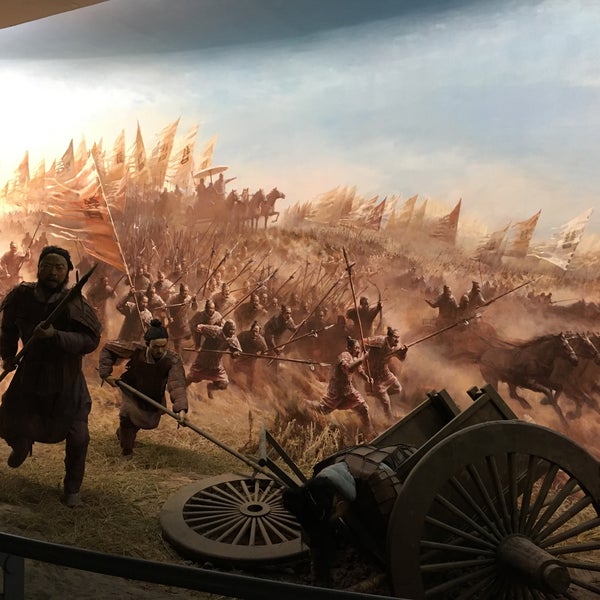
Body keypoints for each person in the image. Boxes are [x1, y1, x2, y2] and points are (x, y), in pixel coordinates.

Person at [0, 246, 102, 508]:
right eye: (47, 266)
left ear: (67, 272)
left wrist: (56, 335)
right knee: (8, 419)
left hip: (65, 378)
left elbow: (90, 340)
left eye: (59, 267)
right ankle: (21, 444)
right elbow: (8, 328)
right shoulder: (21, 296)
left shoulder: (74, 301)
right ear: (38, 268)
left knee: (78, 435)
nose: (53, 272)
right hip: (30, 373)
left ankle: (72, 489)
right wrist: (8, 355)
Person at [98, 319, 188, 460]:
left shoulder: (173, 360)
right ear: (147, 344)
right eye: (155, 347)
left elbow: (177, 385)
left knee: (144, 422)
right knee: (127, 416)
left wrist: (181, 410)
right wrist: (105, 374)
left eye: (163, 346)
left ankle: (123, 433)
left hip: (153, 395)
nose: (160, 351)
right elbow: (108, 348)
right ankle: (127, 452)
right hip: (131, 390)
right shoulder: (136, 349)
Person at [318, 337, 373, 432]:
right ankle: (306, 406)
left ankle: (369, 430)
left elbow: (359, 370)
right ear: (349, 348)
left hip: (348, 389)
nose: (358, 350)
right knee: (324, 410)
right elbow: (349, 368)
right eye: (356, 348)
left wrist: (367, 378)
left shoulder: (355, 358)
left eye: (359, 348)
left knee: (363, 408)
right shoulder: (344, 355)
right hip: (337, 390)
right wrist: (362, 359)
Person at [186, 319, 241, 399]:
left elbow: (236, 351)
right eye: (231, 330)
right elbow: (198, 328)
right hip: (203, 361)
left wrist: (235, 353)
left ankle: (210, 387)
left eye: (234, 330)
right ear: (226, 328)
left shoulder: (232, 338)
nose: (232, 332)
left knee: (224, 383)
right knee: (192, 378)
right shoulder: (215, 331)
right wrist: (197, 345)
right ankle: (180, 388)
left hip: (216, 365)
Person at [364, 326, 408, 421]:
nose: (397, 340)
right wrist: (366, 352)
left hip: (385, 372)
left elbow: (401, 358)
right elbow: (363, 342)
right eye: (395, 337)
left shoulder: (395, 347)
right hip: (374, 375)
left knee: (398, 388)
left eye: (398, 337)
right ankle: (390, 419)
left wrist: (404, 352)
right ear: (389, 336)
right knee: (386, 401)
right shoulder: (379, 341)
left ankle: (377, 394)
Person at [234, 320, 268, 390]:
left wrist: (260, 354)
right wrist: (237, 350)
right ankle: (233, 376)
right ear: (251, 330)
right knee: (235, 368)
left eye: (256, 332)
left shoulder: (261, 340)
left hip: (252, 358)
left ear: (259, 332)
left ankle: (248, 388)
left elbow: (265, 352)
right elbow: (234, 341)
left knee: (251, 372)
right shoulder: (244, 335)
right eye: (253, 331)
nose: (254, 334)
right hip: (242, 354)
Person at [166, 283, 197, 352]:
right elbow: (167, 307)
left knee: (189, 336)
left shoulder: (189, 298)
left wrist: (194, 301)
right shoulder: (173, 298)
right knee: (177, 343)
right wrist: (169, 317)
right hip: (174, 323)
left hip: (184, 323)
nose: (186, 293)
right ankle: (177, 353)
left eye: (187, 291)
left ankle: (184, 350)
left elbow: (194, 308)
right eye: (184, 291)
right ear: (180, 291)